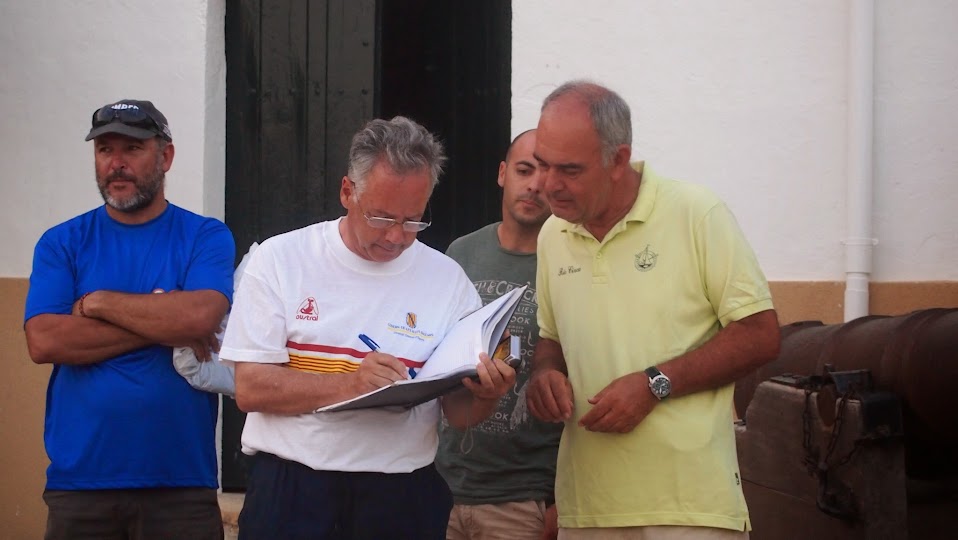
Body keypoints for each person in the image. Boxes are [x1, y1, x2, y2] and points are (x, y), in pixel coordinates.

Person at [219, 116, 517, 540]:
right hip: (294, 489)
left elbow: (458, 413)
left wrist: (487, 394)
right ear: (347, 192)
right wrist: (352, 384)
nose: (396, 237)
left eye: (413, 221)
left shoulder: (448, 280)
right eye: (381, 217)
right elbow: (251, 389)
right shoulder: (281, 259)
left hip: (401, 494)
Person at [526, 81, 781, 540]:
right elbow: (552, 339)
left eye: (569, 169)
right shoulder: (552, 236)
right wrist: (545, 374)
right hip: (587, 510)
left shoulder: (696, 213)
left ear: (618, 160)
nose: (548, 185)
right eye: (542, 164)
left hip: (690, 511)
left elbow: (760, 334)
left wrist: (654, 384)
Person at [24, 99, 236, 539]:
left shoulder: (204, 235)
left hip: (180, 483)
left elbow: (200, 317)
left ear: (166, 156)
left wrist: (97, 302)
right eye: (105, 149)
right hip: (81, 483)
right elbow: (45, 341)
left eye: (133, 149)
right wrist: (164, 321)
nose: (116, 163)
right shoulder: (62, 242)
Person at [436, 129, 562, 540]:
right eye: (525, 170)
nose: (535, 185)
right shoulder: (461, 252)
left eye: (547, 175)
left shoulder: (571, 264)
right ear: (502, 173)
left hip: (524, 497)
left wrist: (560, 501)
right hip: (442, 486)